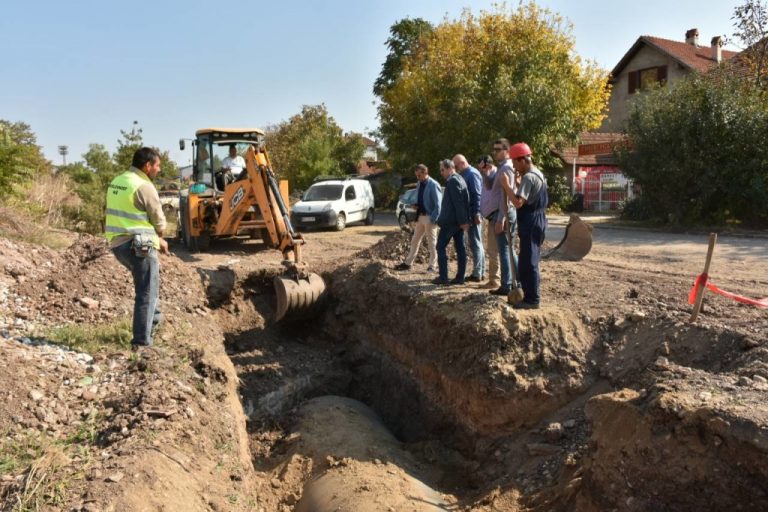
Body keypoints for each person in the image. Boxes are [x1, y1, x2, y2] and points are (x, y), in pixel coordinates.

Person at [105, 147, 170, 350]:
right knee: (147, 292)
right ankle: (141, 343)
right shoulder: (144, 186)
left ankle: (155, 324)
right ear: (147, 165)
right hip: (139, 244)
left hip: (117, 244)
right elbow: (160, 223)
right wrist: (160, 237)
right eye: (157, 165)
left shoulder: (118, 181)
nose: (159, 169)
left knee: (148, 286)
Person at [508, 142, 548, 309]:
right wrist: (518, 185)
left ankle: (532, 300)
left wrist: (506, 185)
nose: (514, 166)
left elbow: (518, 202)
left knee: (529, 262)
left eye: (514, 162)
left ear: (522, 160)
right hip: (538, 220)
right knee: (527, 259)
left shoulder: (529, 177)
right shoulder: (538, 173)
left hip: (531, 222)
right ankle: (529, 295)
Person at [395, 164, 442, 272]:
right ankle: (408, 263)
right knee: (415, 240)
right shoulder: (419, 184)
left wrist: (433, 219)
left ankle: (432, 265)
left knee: (432, 243)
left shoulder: (434, 185)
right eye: (416, 175)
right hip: (420, 217)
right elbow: (421, 199)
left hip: (430, 218)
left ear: (426, 173)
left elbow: (438, 205)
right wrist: (415, 204)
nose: (418, 178)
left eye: (419, 175)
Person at [489, 138, 519, 297]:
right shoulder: (503, 167)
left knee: (505, 249)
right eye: (494, 149)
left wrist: (501, 219)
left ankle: (508, 284)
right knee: (508, 249)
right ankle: (515, 282)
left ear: (507, 151)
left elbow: (505, 197)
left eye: (498, 149)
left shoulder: (506, 168)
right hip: (503, 213)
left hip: (504, 214)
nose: (495, 152)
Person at [433, 159, 470, 286]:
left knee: (440, 247)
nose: (441, 173)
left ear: (450, 168)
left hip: (451, 222)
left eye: (443, 170)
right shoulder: (459, 179)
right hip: (457, 222)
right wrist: (463, 221)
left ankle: (444, 277)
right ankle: (460, 278)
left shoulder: (453, 181)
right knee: (460, 248)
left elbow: (458, 203)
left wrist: (463, 221)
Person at [453, 154, 484, 283]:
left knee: (476, 243)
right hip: (470, 214)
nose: (455, 168)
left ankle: (478, 273)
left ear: (462, 163)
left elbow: (477, 195)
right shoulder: (466, 174)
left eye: (456, 165)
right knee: (474, 243)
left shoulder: (472, 174)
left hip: (473, 215)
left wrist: (477, 213)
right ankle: (479, 272)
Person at [477, 155, 500, 289]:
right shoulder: (487, 176)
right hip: (490, 218)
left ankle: (495, 280)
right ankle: (494, 278)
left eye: (484, 168)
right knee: (492, 250)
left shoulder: (495, 175)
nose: (482, 171)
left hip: (496, 218)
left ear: (490, 165)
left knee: (494, 250)